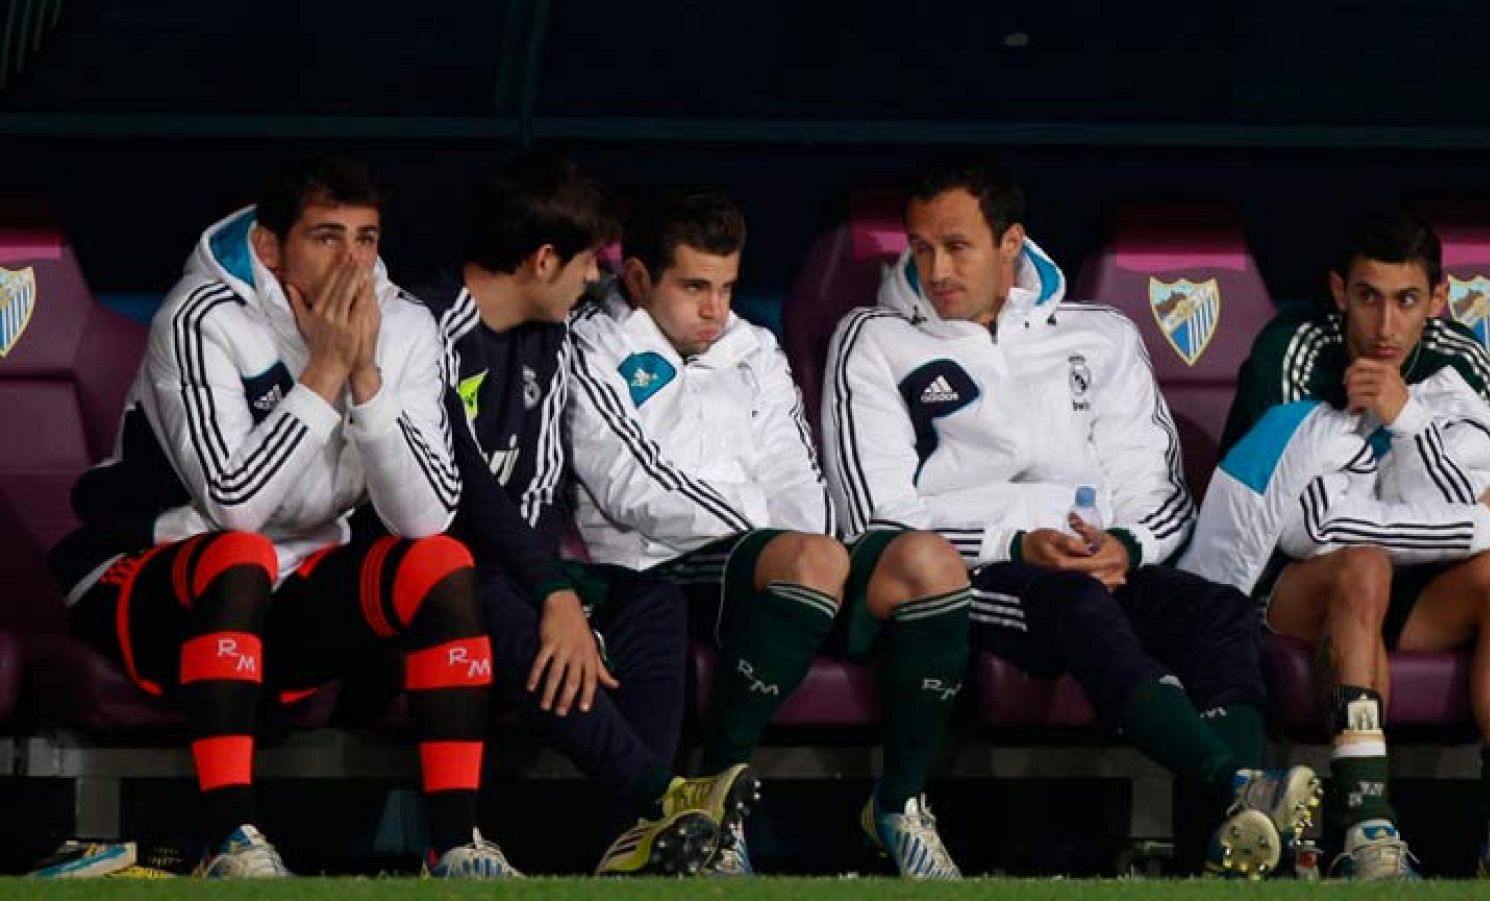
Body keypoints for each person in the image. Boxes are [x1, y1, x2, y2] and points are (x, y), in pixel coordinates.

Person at [823, 160, 1318, 879]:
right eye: (921, 248)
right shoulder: (874, 338)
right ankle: (1237, 788)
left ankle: (1225, 844)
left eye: (956, 247)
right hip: (972, 574)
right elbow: (876, 515)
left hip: (1097, 564)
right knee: (1078, 603)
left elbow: (1155, 487)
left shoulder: (1100, 334)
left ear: (1010, 243)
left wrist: (1126, 545)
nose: (936, 270)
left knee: (1218, 612)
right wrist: (1017, 542)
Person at [47, 155, 515, 879]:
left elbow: (426, 516)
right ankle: (232, 841)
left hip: (295, 590)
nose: (353, 262)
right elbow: (233, 503)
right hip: (153, 575)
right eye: (327, 237)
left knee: (441, 564)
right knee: (243, 555)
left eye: (366, 238)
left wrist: (366, 377)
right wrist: (324, 371)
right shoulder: (200, 316)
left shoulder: (406, 325)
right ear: (270, 247)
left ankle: (455, 846)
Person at [567, 188, 973, 879]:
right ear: (637, 278)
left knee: (929, 561)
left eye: (727, 287)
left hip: (782, 564)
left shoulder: (753, 347)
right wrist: (779, 536)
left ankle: (899, 804)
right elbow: (634, 488)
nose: (714, 308)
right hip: (657, 566)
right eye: (694, 287)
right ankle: (717, 807)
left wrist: (798, 544)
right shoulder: (592, 347)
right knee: (813, 559)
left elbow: (794, 470)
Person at [1193, 209, 1490, 881]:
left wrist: (1404, 417)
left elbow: (1475, 486)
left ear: (1439, 298)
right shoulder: (1293, 350)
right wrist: (1476, 526)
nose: (1386, 326)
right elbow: (1314, 523)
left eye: (1407, 301)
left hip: (1416, 578)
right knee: (1364, 565)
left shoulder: (1459, 357)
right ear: (1340, 291)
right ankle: (1366, 831)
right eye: (1368, 297)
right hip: (1289, 585)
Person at [416, 154, 741, 876]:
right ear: (542, 260)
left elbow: (538, 491)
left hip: (522, 566)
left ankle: (633, 844)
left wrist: (558, 593)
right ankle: (662, 798)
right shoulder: (427, 326)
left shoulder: (551, 335)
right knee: (488, 590)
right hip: (434, 570)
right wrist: (551, 594)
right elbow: (461, 491)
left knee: (650, 600)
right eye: (588, 261)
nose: (595, 278)